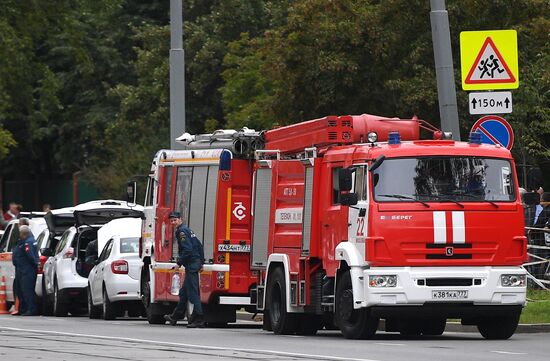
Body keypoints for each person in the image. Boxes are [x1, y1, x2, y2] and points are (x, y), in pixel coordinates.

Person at [164, 211, 205, 328]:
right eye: (171, 221)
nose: (173, 222)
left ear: (180, 219)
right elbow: (199, 245)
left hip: (191, 264)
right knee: (184, 293)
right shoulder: (188, 230)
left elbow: (188, 249)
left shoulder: (182, 232)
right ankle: (175, 316)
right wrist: (201, 262)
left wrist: (178, 263)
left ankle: (199, 319)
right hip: (194, 263)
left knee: (193, 293)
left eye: (175, 220)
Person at [12, 225, 39, 316]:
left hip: (27, 270)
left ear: (24, 233)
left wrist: (35, 264)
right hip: (20, 269)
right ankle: (22, 309)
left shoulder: (28, 242)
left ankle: (31, 309)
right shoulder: (21, 242)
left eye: (19, 233)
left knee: (27, 290)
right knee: (20, 290)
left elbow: (31, 256)